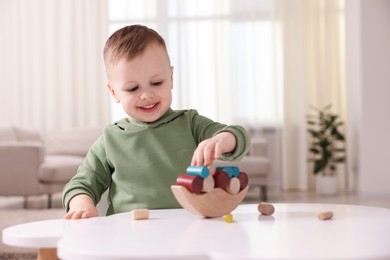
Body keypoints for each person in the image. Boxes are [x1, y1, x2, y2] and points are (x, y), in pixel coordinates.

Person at [62, 24, 250, 219]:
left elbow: (237, 136)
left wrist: (222, 140)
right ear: (114, 92)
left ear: (171, 77)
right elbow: (81, 184)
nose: (146, 95)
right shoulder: (110, 139)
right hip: (131, 233)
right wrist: (81, 204)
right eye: (133, 88)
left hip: (190, 227)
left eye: (156, 83)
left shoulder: (190, 122)